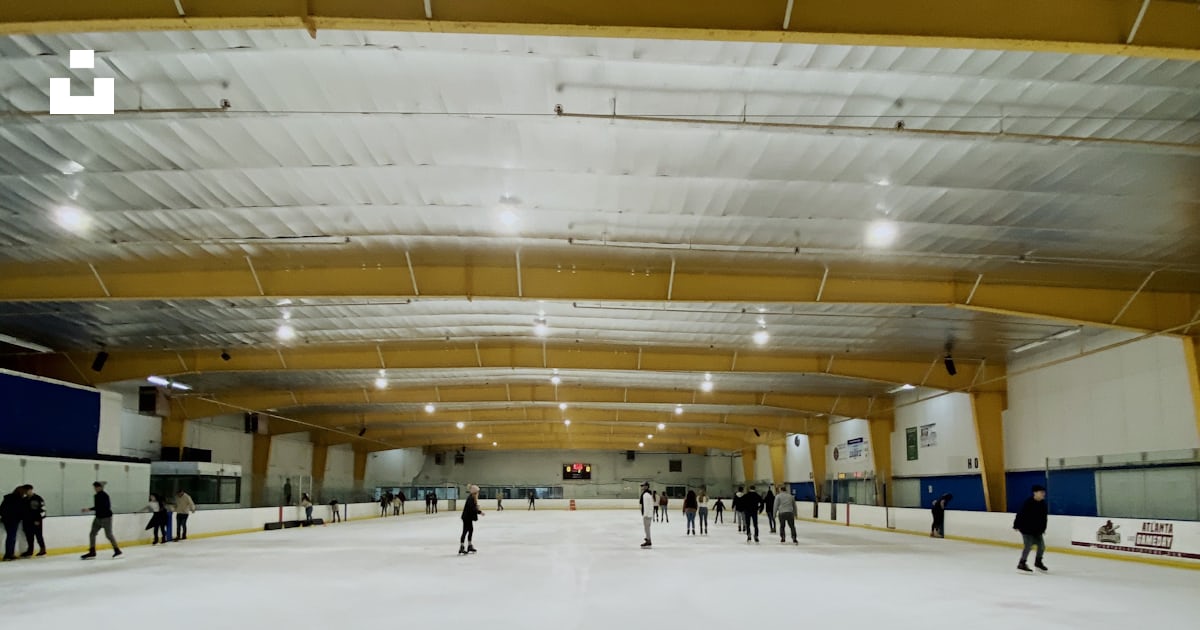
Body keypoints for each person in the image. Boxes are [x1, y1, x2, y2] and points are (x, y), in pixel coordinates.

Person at [1013, 485, 1049, 573]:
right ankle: (1022, 563)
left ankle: (1038, 562)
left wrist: (1043, 528)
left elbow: (1044, 518)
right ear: (1035, 493)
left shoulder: (1043, 504)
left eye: (1044, 492)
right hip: (1026, 529)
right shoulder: (1028, 503)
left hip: (1037, 530)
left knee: (1042, 547)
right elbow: (1020, 514)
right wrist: (1016, 525)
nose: (1043, 494)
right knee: (1028, 546)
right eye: (1041, 492)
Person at [82, 481, 121, 559]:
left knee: (108, 535)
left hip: (106, 518)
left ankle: (117, 550)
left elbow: (104, 507)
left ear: (100, 487)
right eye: (94, 487)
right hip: (98, 518)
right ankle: (92, 551)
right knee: (92, 533)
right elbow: (98, 506)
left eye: (96, 487)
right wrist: (90, 509)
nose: (95, 489)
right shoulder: (96, 496)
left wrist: (89, 509)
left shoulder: (105, 496)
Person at [1, 486, 26, 561]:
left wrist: (4, 516)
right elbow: (20, 511)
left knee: (10, 536)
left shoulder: (7, 498)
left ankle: (9, 554)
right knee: (11, 537)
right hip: (13, 520)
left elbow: (1, 509)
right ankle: (8, 554)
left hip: (6, 520)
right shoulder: (19, 499)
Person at [21, 485, 46, 557]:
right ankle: (30, 550)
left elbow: (43, 510)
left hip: (36, 521)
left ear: (31, 490)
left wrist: (39, 519)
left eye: (27, 490)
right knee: (29, 536)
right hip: (27, 521)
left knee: (38, 535)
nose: (26, 492)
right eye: (25, 491)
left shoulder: (38, 498)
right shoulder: (24, 500)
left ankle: (43, 549)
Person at [458, 484, 484, 555]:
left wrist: (477, 509)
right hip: (466, 518)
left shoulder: (473, 498)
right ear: (474, 492)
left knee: (471, 530)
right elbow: (472, 509)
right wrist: (479, 511)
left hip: (468, 517)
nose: (478, 493)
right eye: (477, 492)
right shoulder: (470, 498)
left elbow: (473, 508)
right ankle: (462, 546)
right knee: (465, 531)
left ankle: (469, 545)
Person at [639, 482, 654, 548]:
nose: (642, 487)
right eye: (641, 486)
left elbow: (646, 505)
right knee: (647, 528)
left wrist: (645, 514)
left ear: (647, 486)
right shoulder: (647, 494)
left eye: (643, 485)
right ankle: (648, 539)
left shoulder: (646, 494)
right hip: (648, 513)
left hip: (647, 514)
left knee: (647, 528)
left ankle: (648, 540)